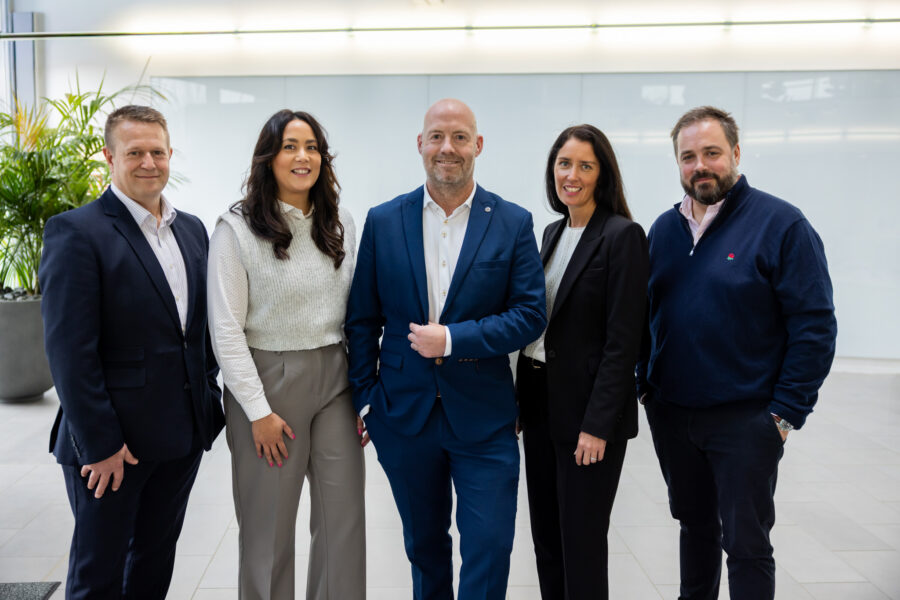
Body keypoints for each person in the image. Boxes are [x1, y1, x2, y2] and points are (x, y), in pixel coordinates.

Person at [345, 98, 546, 600]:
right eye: (436, 136)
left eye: (459, 137)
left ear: (478, 145)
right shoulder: (384, 220)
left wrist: (454, 339)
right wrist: (367, 400)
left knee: (489, 547)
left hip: (485, 417)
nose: (447, 148)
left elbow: (529, 315)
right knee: (425, 548)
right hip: (403, 416)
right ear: (420, 144)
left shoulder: (512, 222)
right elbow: (362, 319)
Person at [637, 106, 837, 600]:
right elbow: (644, 315)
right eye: (688, 157)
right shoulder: (663, 230)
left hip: (746, 419)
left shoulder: (781, 224)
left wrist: (784, 414)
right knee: (694, 528)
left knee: (746, 544)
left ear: (736, 153)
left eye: (712, 153)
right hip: (674, 415)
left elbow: (814, 325)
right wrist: (647, 387)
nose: (700, 166)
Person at [39, 105, 225, 599]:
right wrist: (100, 444)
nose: (148, 163)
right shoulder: (76, 231)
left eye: (157, 152)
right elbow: (69, 352)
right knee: (98, 577)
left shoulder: (192, 230)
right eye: (135, 152)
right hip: (112, 448)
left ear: (170, 155)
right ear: (109, 156)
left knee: (152, 567)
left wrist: (207, 397)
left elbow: (199, 330)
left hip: (180, 438)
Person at [207, 109, 365, 599]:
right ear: (268, 158)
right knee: (268, 531)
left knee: (343, 524)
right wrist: (257, 411)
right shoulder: (236, 229)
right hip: (267, 382)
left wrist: (362, 394)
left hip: (335, 378)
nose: (303, 156)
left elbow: (355, 313)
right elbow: (225, 329)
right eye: (290, 146)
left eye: (312, 147)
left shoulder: (339, 222)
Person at [516, 125, 648, 600]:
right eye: (564, 164)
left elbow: (623, 342)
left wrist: (597, 425)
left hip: (587, 414)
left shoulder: (622, 236)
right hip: (540, 403)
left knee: (582, 541)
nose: (571, 175)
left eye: (585, 166)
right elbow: (539, 325)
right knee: (547, 538)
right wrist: (519, 402)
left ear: (602, 174)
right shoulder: (552, 233)